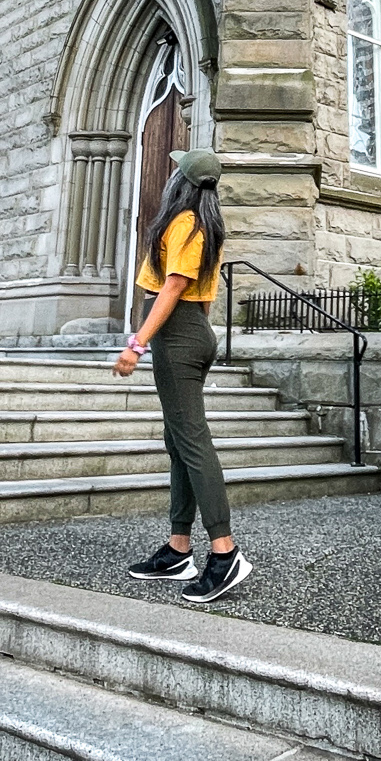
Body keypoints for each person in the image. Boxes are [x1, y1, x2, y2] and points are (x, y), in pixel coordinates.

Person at [114, 147, 252, 604]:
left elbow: (173, 286)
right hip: (193, 332)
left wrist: (137, 344)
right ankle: (178, 549)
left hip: (178, 337)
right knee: (179, 441)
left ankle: (224, 551)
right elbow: (202, 294)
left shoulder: (183, 223)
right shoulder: (207, 225)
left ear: (182, 182)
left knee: (192, 442)